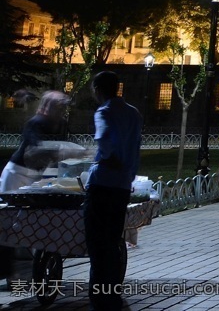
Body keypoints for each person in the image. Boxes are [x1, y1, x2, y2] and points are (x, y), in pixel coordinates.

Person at [84, 71, 142, 311]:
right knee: (113, 241)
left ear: (98, 88)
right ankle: (112, 293)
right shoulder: (133, 112)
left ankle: (99, 297)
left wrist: (108, 158)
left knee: (97, 244)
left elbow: (105, 140)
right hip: (121, 186)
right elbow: (136, 146)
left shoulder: (104, 112)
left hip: (103, 183)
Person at [0, 91, 70, 289]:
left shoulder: (60, 124)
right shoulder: (36, 122)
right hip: (17, 175)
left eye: (64, 107)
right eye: (59, 107)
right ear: (49, 107)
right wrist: (61, 149)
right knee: (8, 225)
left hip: (35, 177)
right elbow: (33, 151)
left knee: (27, 224)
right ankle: (10, 275)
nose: (62, 111)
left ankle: (25, 273)